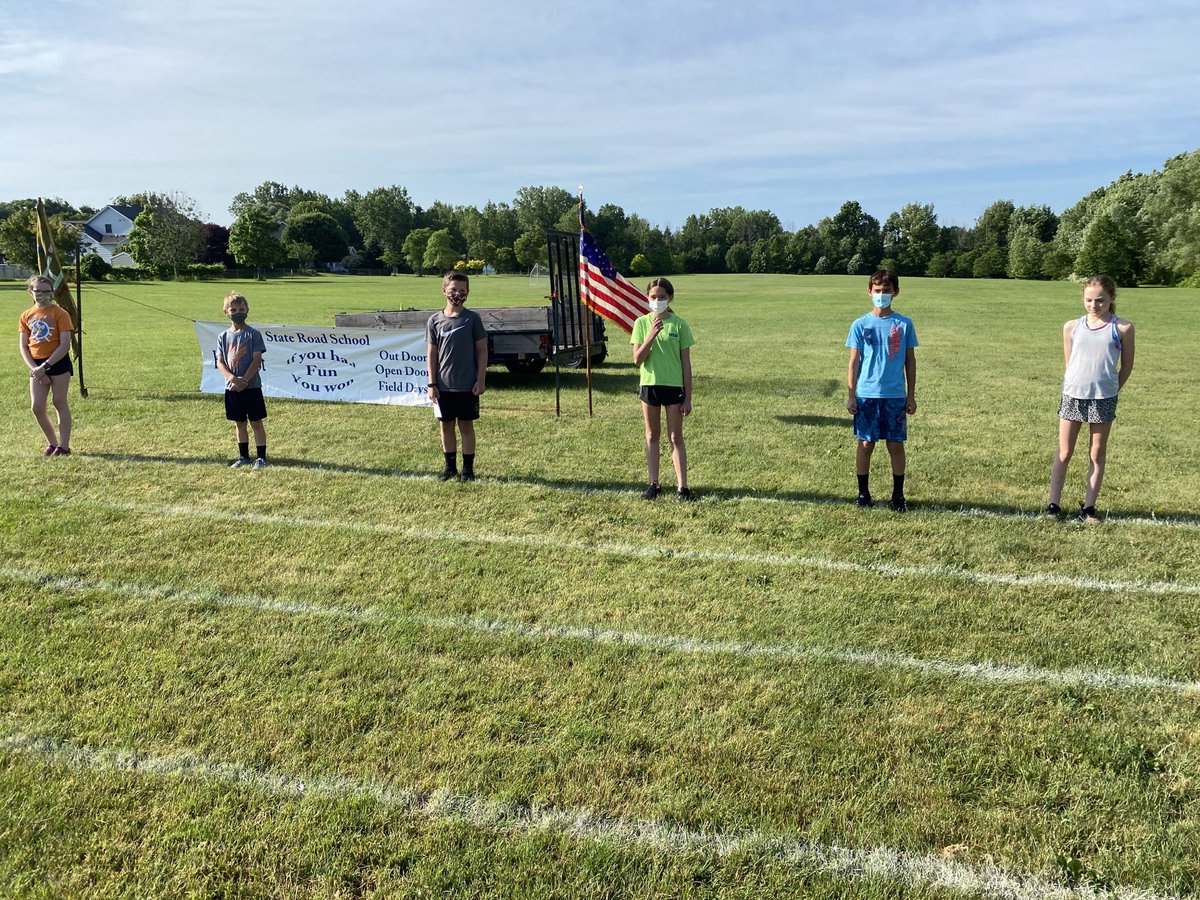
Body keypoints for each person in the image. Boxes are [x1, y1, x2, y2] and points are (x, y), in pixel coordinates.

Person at [1045, 275, 1134, 523]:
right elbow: (1070, 361)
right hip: (1073, 395)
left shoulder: (1123, 328)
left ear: (1112, 299)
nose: (1094, 305)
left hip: (1103, 399)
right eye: (1089, 300)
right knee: (1064, 452)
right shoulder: (1072, 326)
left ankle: (1089, 508)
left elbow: (1126, 366)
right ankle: (1053, 505)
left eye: (1100, 300)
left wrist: (1111, 390)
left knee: (1096, 454)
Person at [846, 269, 918, 511]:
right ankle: (863, 494)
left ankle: (898, 495)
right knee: (865, 444)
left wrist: (911, 395)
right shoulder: (859, 324)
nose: (881, 295)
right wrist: (851, 394)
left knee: (895, 445)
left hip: (895, 395)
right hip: (867, 395)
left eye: (886, 291)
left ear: (895, 292)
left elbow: (910, 361)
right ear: (869, 292)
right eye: (877, 291)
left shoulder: (904, 324)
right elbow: (854, 362)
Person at [631, 276, 695, 501]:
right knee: (652, 435)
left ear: (670, 298)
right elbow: (638, 360)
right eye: (653, 297)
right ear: (647, 298)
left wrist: (688, 396)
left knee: (675, 436)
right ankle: (653, 483)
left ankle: (683, 487)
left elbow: (686, 364)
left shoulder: (680, 324)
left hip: (674, 387)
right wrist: (651, 335)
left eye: (662, 297)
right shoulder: (641, 323)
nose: (657, 300)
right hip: (649, 386)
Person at [426, 271, 487, 481]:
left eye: (462, 291)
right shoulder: (434, 321)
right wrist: (432, 383)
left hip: (467, 386)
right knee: (446, 426)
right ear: (444, 291)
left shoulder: (472, 319)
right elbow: (432, 353)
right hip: (443, 387)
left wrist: (480, 379)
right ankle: (450, 468)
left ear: (468, 293)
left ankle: (468, 470)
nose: (457, 294)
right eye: (453, 290)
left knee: (466, 426)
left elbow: (482, 350)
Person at [19, 274, 73, 456]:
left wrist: (46, 367)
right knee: (37, 407)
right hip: (36, 365)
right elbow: (23, 346)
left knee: (59, 401)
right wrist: (35, 368)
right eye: (38, 291)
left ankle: (64, 447)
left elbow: (65, 344)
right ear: (30, 292)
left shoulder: (60, 313)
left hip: (57, 362)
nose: (43, 295)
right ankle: (52, 443)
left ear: (52, 293)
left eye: (47, 291)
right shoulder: (26, 315)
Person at [215, 291, 269, 469]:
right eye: (233, 309)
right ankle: (243, 456)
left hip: (251, 386)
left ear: (247, 310)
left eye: (241, 309)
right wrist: (232, 378)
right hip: (232, 388)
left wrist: (244, 380)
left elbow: (256, 360)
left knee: (256, 422)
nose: (238, 312)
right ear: (226, 312)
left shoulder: (253, 334)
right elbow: (220, 361)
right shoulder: (222, 337)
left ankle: (261, 457)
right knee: (239, 423)